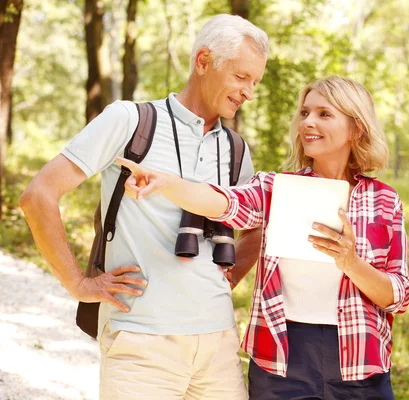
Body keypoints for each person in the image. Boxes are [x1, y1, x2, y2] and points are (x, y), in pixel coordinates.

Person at [19, 14, 268, 400]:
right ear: (203, 61)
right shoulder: (130, 121)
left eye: (255, 82)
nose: (249, 91)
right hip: (141, 344)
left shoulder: (236, 149)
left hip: (218, 345)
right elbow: (38, 195)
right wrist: (78, 284)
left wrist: (231, 278)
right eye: (241, 77)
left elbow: (256, 227)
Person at [117, 75, 409, 399]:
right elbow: (226, 203)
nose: (308, 122)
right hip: (282, 360)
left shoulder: (383, 200)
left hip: (359, 362)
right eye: (305, 112)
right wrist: (167, 184)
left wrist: (350, 262)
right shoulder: (277, 188)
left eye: (324, 114)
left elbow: (398, 295)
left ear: (357, 128)